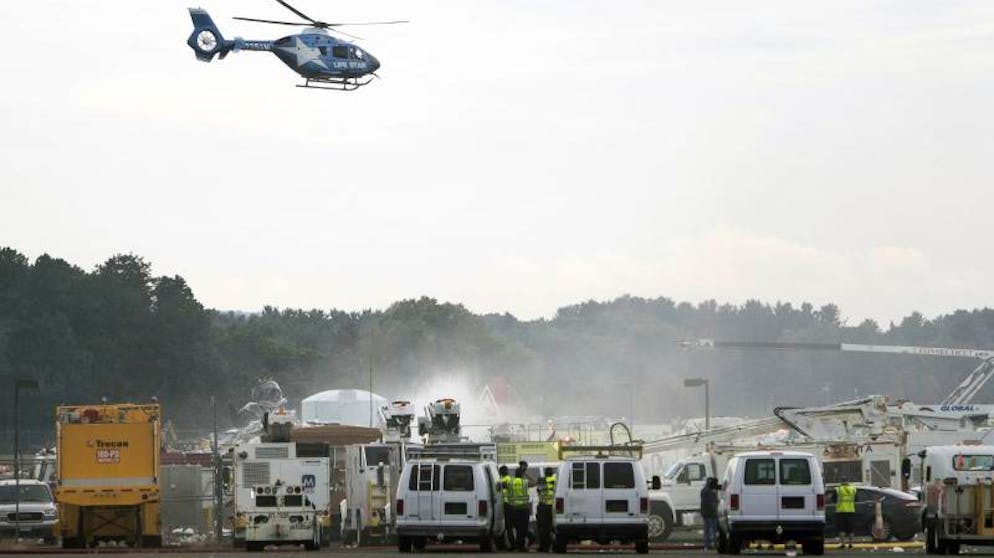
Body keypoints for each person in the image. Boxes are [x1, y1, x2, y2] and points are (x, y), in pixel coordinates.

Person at [510, 462, 532, 551]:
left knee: (518, 528)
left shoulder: (511, 482)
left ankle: (518, 545)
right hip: (524, 509)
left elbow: (499, 486)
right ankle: (521, 547)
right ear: (522, 474)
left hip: (514, 509)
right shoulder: (525, 482)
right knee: (523, 528)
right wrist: (526, 474)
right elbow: (535, 482)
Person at [536, 467, 557, 552]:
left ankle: (544, 546)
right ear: (552, 473)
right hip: (552, 506)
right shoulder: (556, 479)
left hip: (543, 506)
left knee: (542, 528)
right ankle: (554, 546)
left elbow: (538, 491)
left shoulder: (542, 480)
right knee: (552, 528)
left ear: (545, 473)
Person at [835, 479, 857, 549]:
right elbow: (856, 499)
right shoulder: (853, 489)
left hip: (841, 511)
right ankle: (851, 544)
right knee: (851, 529)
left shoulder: (838, 489)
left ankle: (843, 544)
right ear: (848, 482)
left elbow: (833, 499)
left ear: (841, 482)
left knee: (841, 529)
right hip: (851, 511)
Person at [700, 477, 720, 550]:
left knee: (706, 530)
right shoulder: (712, 492)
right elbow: (714, 503)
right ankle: (714, 544)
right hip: (712, 514)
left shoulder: (703, 491)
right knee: (713, 530)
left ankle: (707, 545)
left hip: (705, 513)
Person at [499, 465, 513, 548]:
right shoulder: (509, 479)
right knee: (507, 526)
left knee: (508, 526)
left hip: (506, 505)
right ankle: (507, 544)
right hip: (507, 504)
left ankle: (510, 544)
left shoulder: (504, 480)